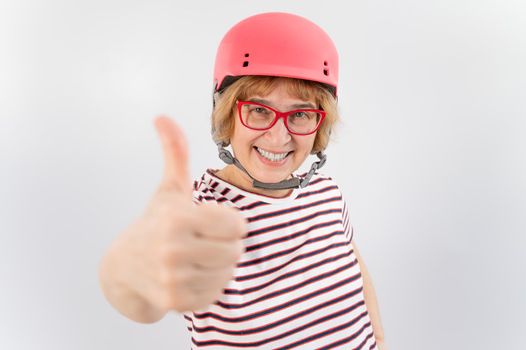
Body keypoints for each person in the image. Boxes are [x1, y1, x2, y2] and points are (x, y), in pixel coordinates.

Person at [99, 12, 386, 349]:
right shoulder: (196, 216)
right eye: (259, 110)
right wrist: (125, 277)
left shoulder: (327, 194)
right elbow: (140, 296)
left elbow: (355, 268)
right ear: (227, 113)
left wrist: (379, 340)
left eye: (300, 114)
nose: (279, 138)